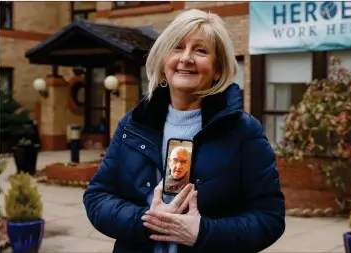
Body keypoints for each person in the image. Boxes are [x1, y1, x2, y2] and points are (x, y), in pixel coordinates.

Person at [83, 8, 285, 253]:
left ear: (218, 69)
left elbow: (269, 217)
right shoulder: (134, 124)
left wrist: (203, 232)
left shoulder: (243, 131)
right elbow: (97, 197)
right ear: (164, 60)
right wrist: (146, 220)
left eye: (200, 50)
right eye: (177, 47)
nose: (186, 58)